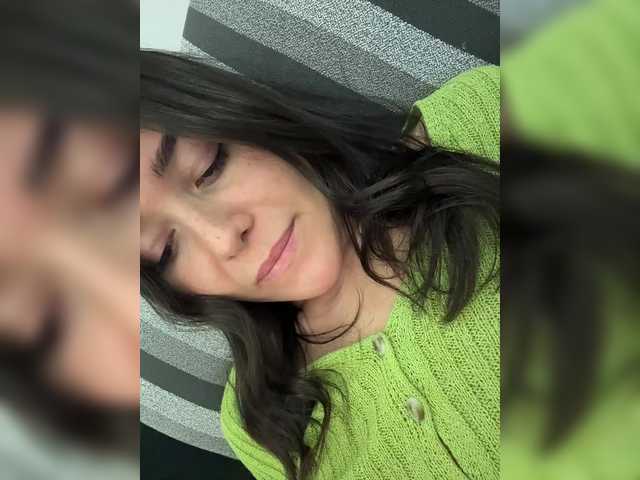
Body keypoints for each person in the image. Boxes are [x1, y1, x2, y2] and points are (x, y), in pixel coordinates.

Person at [140, 50, 500, 480]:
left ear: (244, 119)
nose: (223, 237)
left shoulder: (477, 124)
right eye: (166, 250)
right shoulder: (260, 424)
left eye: (210, 166)